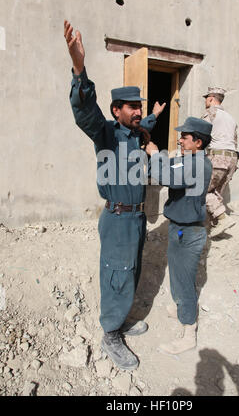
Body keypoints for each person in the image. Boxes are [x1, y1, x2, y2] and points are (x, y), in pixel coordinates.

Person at [64, 20, 166, 370]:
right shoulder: (105, 133)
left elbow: (146, 126)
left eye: (139, 106)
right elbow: (84, 112)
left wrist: (152, 117)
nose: (137, 111)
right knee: (117, 270)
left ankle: (121, 318)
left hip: (137, 217)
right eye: (131, 107)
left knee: (132, 270)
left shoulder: (136, 134)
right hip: (118, 217)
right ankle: (110, 333)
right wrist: (79, 69)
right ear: (116, 111)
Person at [146, 117, 212, 354]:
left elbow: (165, 176)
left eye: (185, 137)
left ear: (198, 142)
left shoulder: (198, 165)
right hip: (177, 227)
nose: (180, 140)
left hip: (190, 231)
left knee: (184, 281)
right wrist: (159, 159)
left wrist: (155, 156)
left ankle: (188, 330)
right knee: (176, 272)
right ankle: (182, 307)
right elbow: (166, 169)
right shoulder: (187, 160)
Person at [201, 87, 238, 237]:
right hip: (232, 159)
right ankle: (216, 225)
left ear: (211, 99)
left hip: (217, 157)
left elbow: (200, 136)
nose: (205, 101)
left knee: (202, 191)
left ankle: (222, 219)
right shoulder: (230, 118)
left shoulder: (210, 113)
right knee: (215, 193)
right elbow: (235, 140)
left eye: (206, 98)